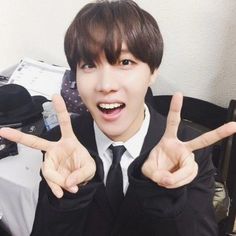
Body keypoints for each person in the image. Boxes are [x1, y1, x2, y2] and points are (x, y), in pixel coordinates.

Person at [0, 1, 236, 235]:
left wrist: (166, 195)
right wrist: (71, 193)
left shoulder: (187, 149)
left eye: (125, 62)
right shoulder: (60, 142)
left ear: (153, 71)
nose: (105, 85)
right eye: (89, 65)